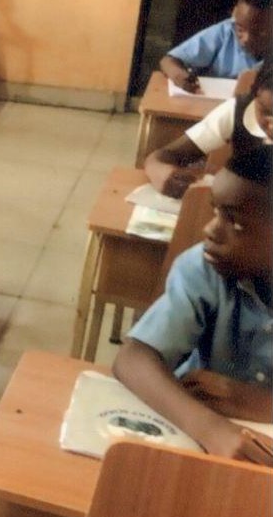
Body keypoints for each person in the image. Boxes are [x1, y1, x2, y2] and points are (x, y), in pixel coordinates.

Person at [113, 146, 273, 467]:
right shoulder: (204, 268)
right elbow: (133, 358)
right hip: (199, 433)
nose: (210, 230)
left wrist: (257, 403)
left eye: (235, 223)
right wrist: (212, 429)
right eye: (216, 212)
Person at [145, 62, 273, 198]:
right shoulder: (240, 111)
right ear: (254, 94)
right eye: (265, 111)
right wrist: (160, 171)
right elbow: (163, 156)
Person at [160, 0, 270, 89]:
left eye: (260, 33)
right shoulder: (225, 33)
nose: (246, 39)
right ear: (234, 11)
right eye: (240, 29)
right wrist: (179, 76)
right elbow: (168, 61)